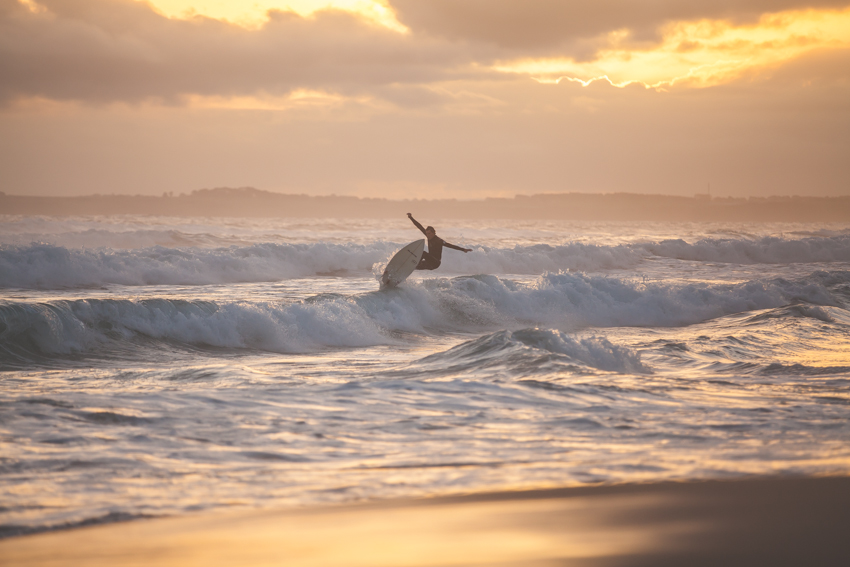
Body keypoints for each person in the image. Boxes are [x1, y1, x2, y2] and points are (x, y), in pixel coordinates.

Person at [407, 213, 472, 270]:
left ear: (433, 233)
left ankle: (415, 264)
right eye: (427, 234)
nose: (428, 235)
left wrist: (463, 249)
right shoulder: (428, 236)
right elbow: (419, 226)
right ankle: (407, 270)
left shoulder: (438, 240)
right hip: (429, 263)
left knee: (423, 253)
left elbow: (450, 245)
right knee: (415, 267)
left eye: (429, 234)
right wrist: (411, 217)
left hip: (435, 263)